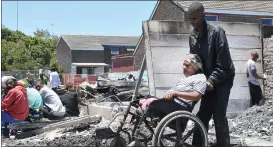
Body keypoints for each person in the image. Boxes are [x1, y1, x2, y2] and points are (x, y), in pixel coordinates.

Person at [187, 2, 235, 147]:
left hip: (223, 78)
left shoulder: (217, 32)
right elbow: (196, 62)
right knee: (202, 115)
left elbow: (224, 65)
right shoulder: (192, 37)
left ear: (203, 16)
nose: (192, 22)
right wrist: (193, 76)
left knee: (219, 115)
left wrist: (211, 81)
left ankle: (223, 144)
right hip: (207, 79)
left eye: (194, 19)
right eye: (189, 19)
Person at [139, 54, 207, 123]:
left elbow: (197, 96)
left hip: (181, 108)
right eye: (183, 65)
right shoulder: (186, 79)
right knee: (142, 100)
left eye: (187, 65)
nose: (184, 67)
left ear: (195, 67)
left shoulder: (200, 78)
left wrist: (175, 93)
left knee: (153, 104)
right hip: (173, 104)